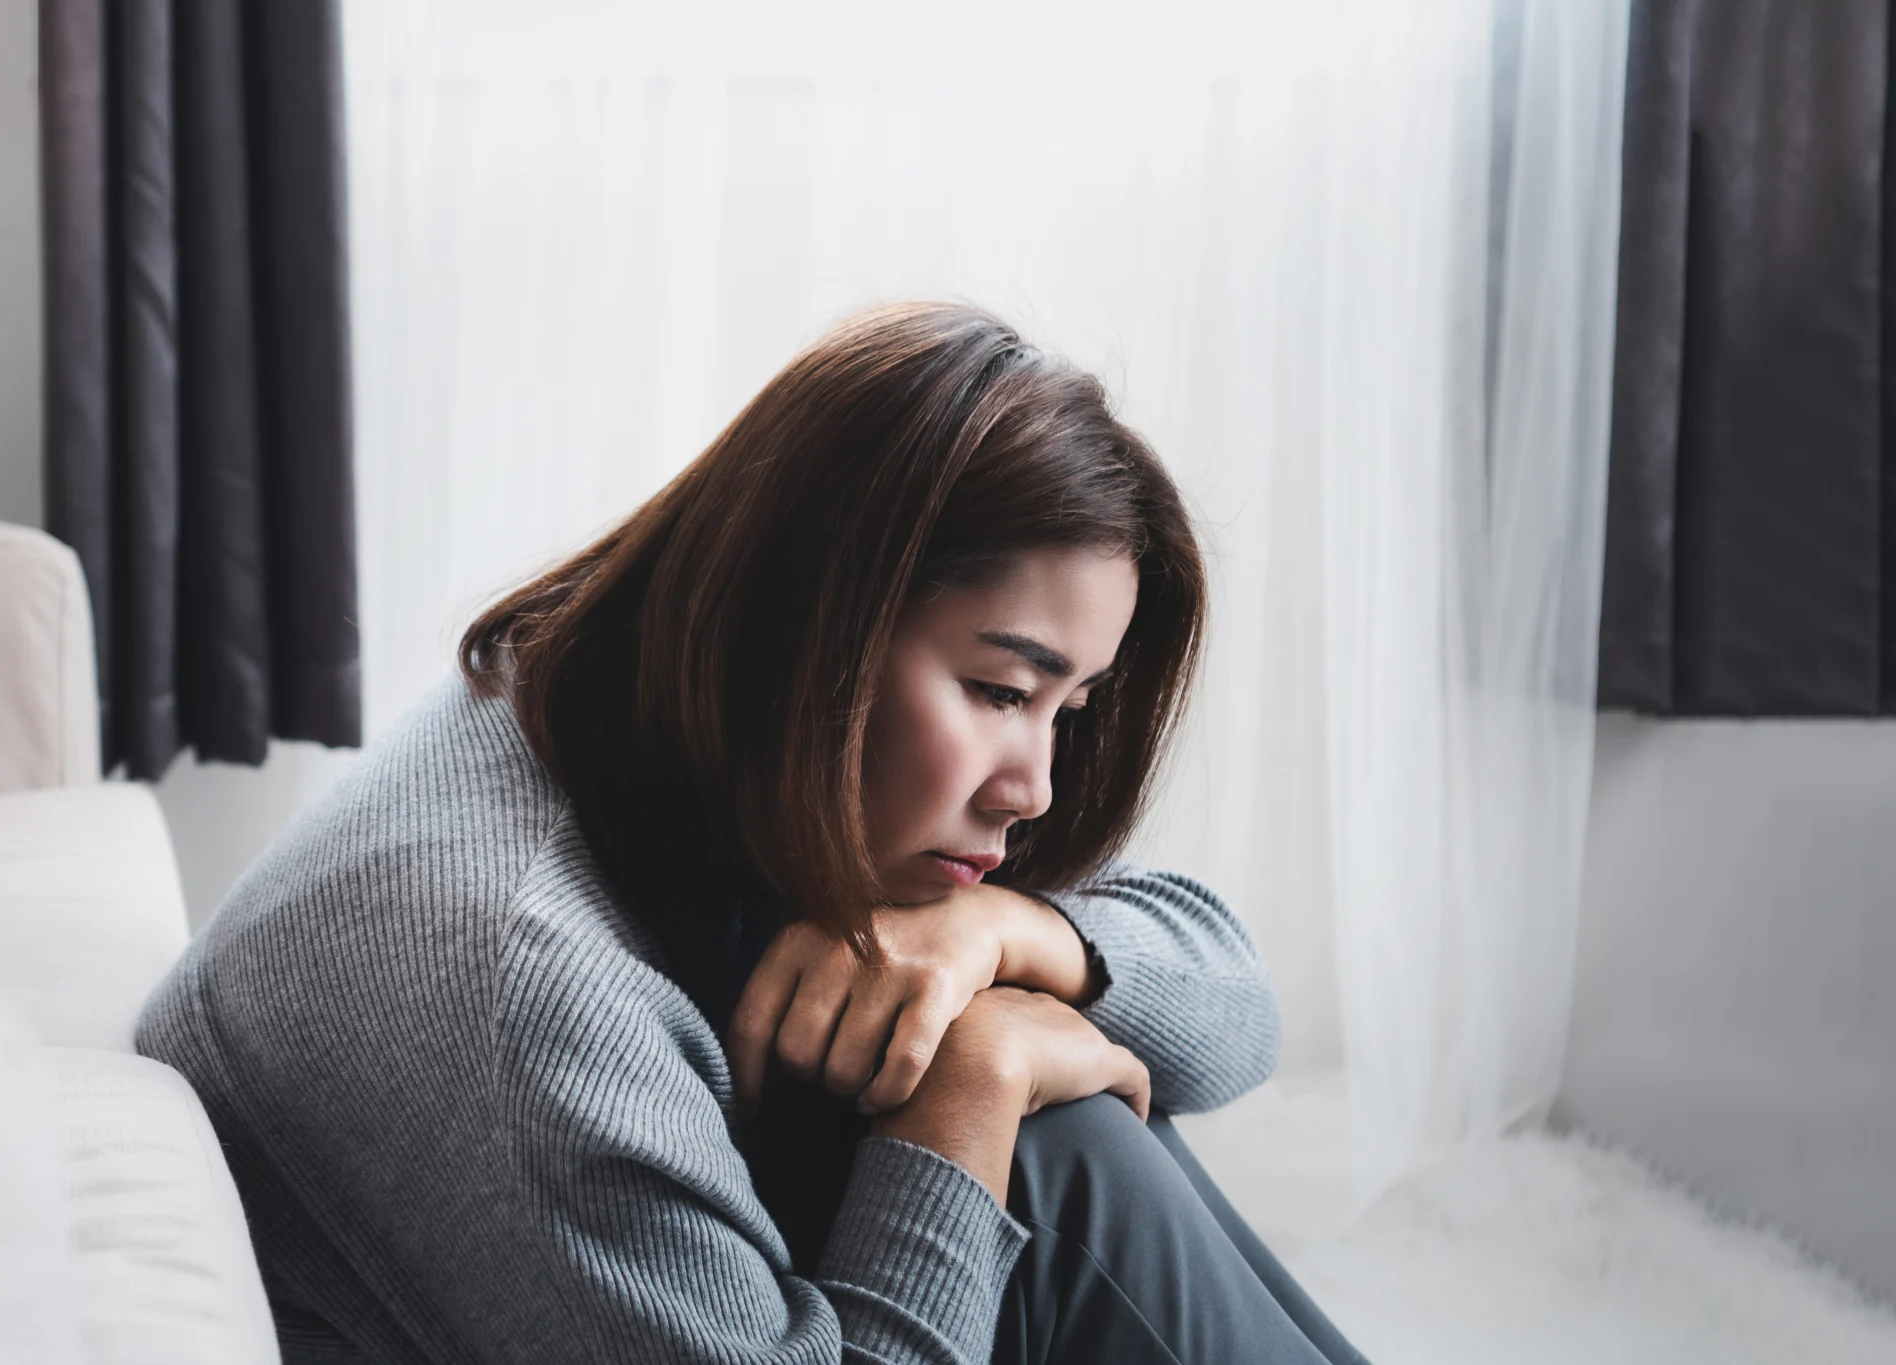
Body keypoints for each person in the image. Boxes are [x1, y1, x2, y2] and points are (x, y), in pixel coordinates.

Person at [137, 302, 1367, 1364]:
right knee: (1054, 1153)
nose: (1031, 788)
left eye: (1068, 706)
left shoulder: (629, 713)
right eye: (1000, 690)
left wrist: (1015, 936)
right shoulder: (523, 993)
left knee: (1026, 1076)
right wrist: (979, 1079)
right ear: (805, 624)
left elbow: (1230, 1011)